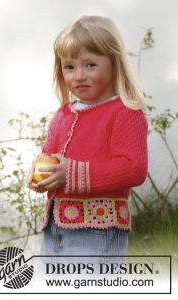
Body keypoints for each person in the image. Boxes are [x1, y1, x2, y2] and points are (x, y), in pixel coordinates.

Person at [27, 16, 148, 262]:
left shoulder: (126, 112)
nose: (78, 75)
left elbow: (133, 168)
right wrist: (40, 176)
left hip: (97, 233)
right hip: (54, 231)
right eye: (69, 67)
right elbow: (48, 155)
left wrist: (71, 173)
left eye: (90, 65)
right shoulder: (63, 114)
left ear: (114, 64)